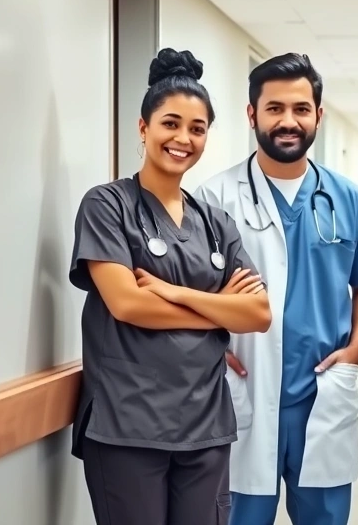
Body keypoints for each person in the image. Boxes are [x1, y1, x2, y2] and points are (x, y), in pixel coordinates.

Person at [68, 48, 272, 525]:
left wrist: (176, 292)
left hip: (205, 426)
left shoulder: (215, 222)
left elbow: (258, 315)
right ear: (143, 128)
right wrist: (220, 308)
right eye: (170, 123)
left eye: (197, 129)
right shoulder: (107, 206)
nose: (183, 138)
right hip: (127, 426)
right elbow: (127, 305)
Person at [194, 52, 358, 525]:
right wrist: (208, 347)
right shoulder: (213, 198)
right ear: (252, 116)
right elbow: (191, 292)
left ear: (318, 117)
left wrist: (357, 349)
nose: (289, 121)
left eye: (301, 109)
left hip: (323, 392)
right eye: (275, 109)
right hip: (243, 386)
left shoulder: (347, 198)